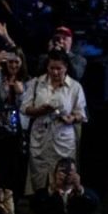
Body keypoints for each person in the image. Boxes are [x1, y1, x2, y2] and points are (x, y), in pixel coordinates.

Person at [21, 50, 87, 194]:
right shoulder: (37, 83)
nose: (55, 72)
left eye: (59, 68)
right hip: (41, 137)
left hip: (63, 137)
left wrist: (72, 118)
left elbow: (81, 114)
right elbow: (25, 108)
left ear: (66, 68)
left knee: (64, 176)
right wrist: (41, 110)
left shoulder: (75, 87)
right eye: (52, 68)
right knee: (39, 179)